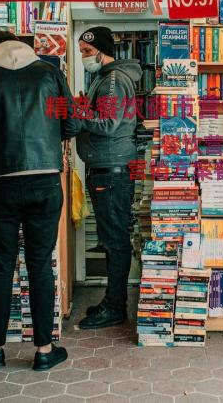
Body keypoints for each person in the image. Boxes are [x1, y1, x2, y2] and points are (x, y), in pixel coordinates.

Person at [0, 31, 78, 371]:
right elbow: (71, 124)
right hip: (45, 180)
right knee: (39, 264)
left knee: (0, 265)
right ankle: (44, 350)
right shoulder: (49, 73)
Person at [74, 26, 141, 330]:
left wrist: (77, 114)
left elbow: (109, 122)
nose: (84, 57)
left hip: (111, 170)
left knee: (115, 241)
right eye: (82, 52)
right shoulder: (104, 78)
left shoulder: (113, 79)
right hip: (107, 168)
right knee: (112, 239)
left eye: (87, 52)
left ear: (101, 50)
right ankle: (111, 301)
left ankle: (115, 307)